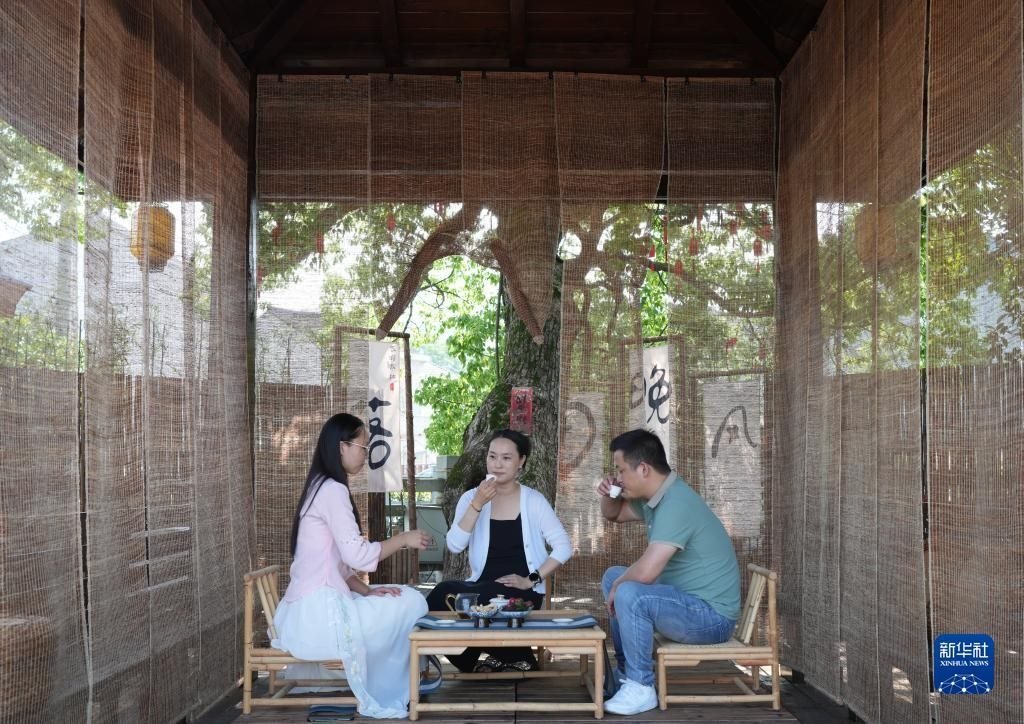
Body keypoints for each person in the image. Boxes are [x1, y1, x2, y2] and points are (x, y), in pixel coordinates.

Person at [272, 413, 435, 719]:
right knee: (412, 601)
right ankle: (397, 685)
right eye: (363, 447)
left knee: (400, 596)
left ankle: (400, 681)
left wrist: (367, 591)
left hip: (307, 610)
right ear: (341, 446)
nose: (365, 454)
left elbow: (339, 565)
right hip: (320, 616)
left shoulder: (320, 486)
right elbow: (357, 556)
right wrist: (402, 539)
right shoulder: (332, 490)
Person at [597, 429, 740, 716]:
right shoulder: (656, 497)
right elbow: (614, 514)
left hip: (711, 618)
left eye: (621, 470)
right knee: (614, 577)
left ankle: (641, 686)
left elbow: (648, 572)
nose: (619, 477)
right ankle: (627, 674)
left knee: (629, 591)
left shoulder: (676, 503)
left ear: (643, 469)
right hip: (685, 602)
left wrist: (619, 588)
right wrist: (609, 493)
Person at [426, 429, 572, 673]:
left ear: (521, 461)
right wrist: (477, 504)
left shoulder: (533, 500)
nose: (497, 464)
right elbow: (454, 545)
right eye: (492, 456)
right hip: (481, 586)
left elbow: (564, 547)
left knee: (485, 602)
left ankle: (515, 658)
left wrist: (531, 579)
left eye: (506, 458)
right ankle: (501, 659)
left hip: (521, 592)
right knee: (438, 596)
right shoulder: (471, 498)